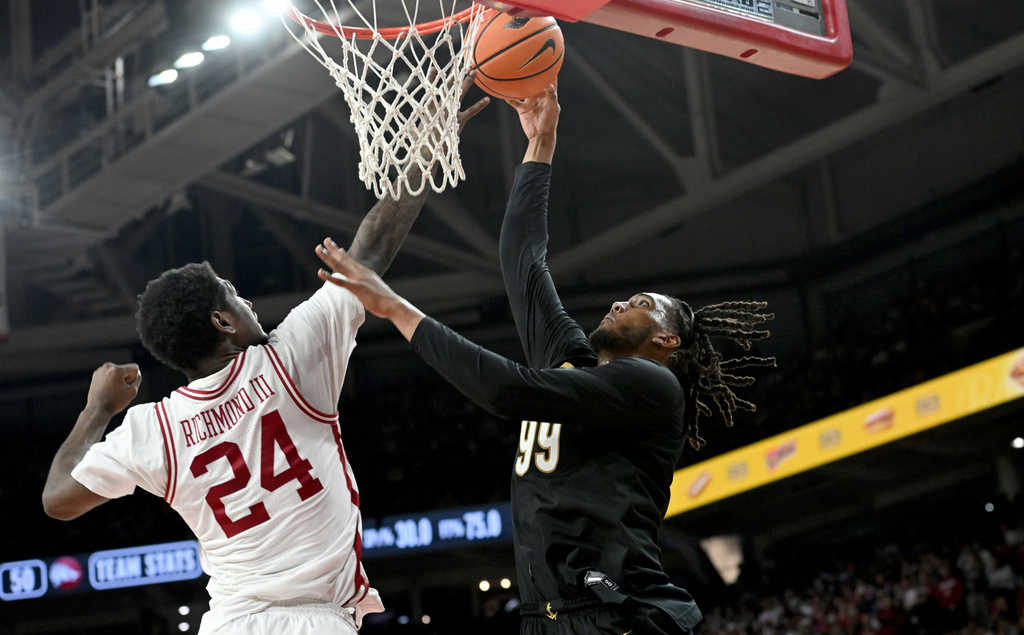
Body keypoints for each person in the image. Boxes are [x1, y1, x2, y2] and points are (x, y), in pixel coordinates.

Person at [312, 83, 776, 634]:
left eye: (643, 305)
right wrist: (541, 143)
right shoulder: (572, 361)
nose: (622, 301)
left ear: (667, 341)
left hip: (618, 614)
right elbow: (522, 258)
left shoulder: (652, 387)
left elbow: (506, 391)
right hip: (546, 616)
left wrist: (394, 307)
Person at [41, 80, 490, 634]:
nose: (248, 301)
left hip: (228, 623)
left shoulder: (149, 428)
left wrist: (96, 410)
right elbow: (369, 254)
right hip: (311, 622)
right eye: (235, 294)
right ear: (223, 322)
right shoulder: (290, 357)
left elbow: (58, 500)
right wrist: (427, 149)